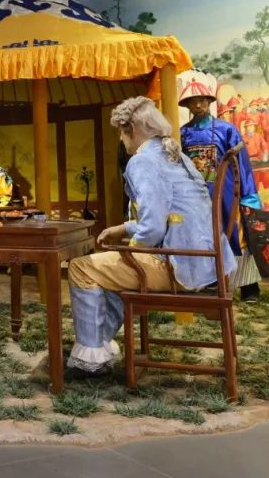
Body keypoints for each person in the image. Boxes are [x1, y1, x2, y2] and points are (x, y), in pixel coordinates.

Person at [56, 96, 233, 380]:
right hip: (210, 263)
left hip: (182, 266)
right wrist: (125, 228)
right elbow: (169, 214)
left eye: (121, 132)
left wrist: (132, 248)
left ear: (134, 130)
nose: (121, 139)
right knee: (109, 269)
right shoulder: (175, 155)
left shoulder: (143, 161)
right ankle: (96, 347)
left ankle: (91, 359)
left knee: (81, 268)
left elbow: (152, 230)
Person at [179, 80, 263, 302]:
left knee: (234, 233)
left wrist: (248, 196)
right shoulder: (183, 134)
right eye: (192, 101)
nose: (198, 105)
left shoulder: (227, 130)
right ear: (187, 105)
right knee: (205, 236)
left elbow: (242, 163)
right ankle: (212, 280)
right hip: (197, 197)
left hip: (226, 194)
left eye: (202, 100)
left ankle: (248, 286)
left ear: (209, 101)